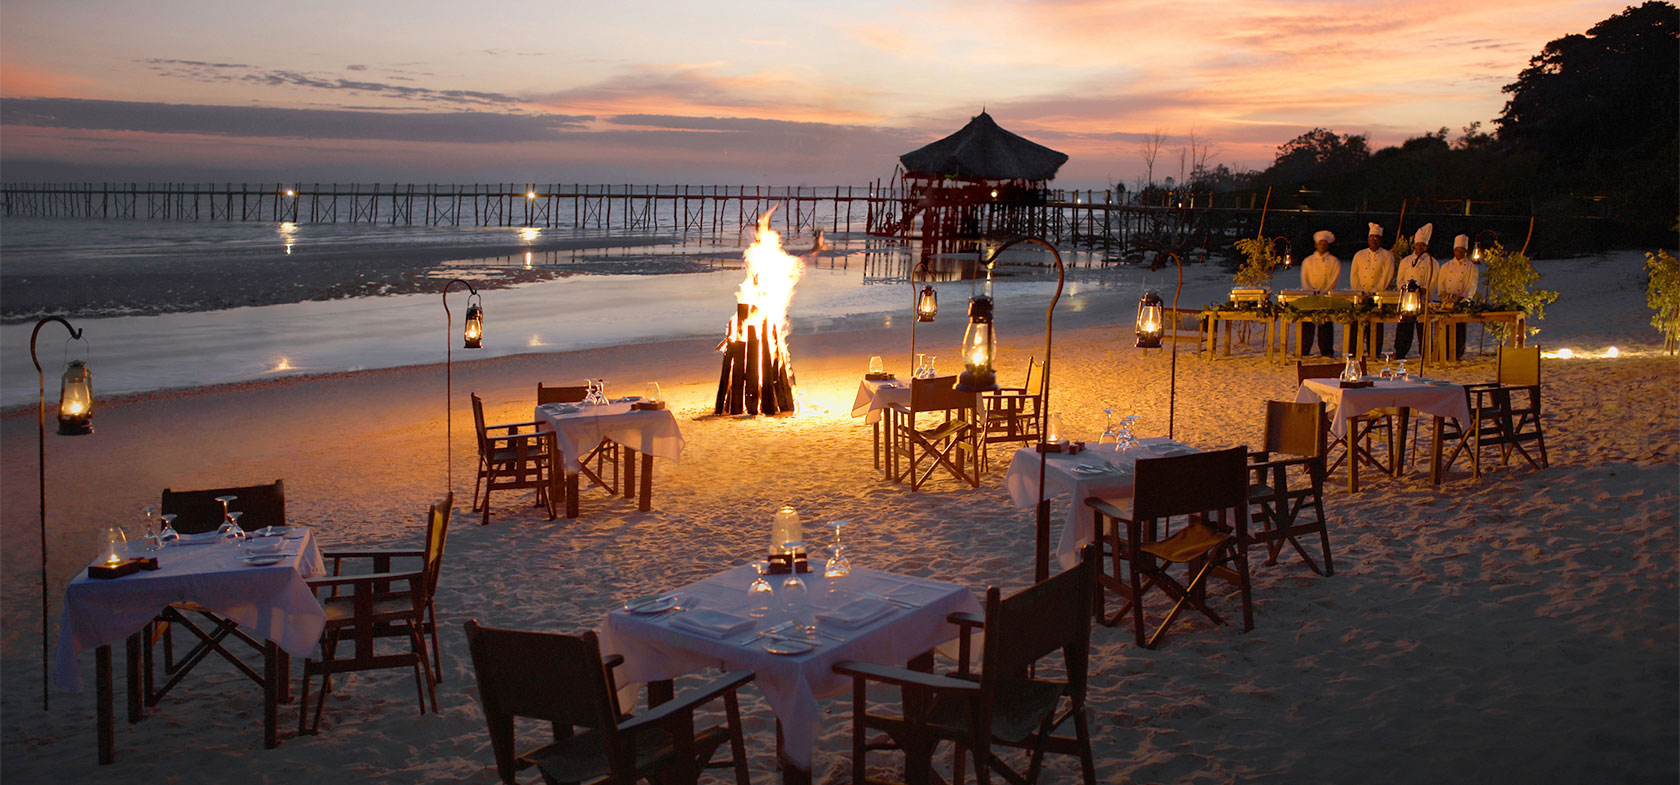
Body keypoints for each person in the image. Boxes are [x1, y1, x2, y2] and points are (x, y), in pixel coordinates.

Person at [1392, 223, 1438, 359]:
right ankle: (1400, 351)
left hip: (1422, 299)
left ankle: (1425, 353)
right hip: (1407, 299)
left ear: (1426, 247)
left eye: (1422, 246)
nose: (1420, 248)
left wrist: (1424, 291)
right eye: (1418, 245)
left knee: (1422, 326)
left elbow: (1433, 280)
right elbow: (1400, 279)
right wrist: (1405, 290)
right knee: (1404, 325)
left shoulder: (1432, 262)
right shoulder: (1406, 261)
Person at [1349, 222, 1395, 355]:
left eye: (1376, 239)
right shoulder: (1359, 255)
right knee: (1356, 322)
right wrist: (1358, 291)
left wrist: (1377, 290)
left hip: (1378, 295)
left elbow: (1387, 275)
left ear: (1380, 240)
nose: (1373, 241)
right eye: (1371, 238)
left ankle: (1374, 351)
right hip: (1360, 294)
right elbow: (1354, 274)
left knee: (1376, 323)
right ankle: (1353, 350)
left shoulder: (1387, 255)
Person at [1298, 230, 1341, 358]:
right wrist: (1311, 292)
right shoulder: (1308, 261)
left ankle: (1326, 350)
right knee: (1307, 323)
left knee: (1326, 323)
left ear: (1328, 245)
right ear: (1315, 245)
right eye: (1320, 243)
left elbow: (1334, 279)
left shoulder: (1334, 261)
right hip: (1310, 296)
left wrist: (1324, 292)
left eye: (1324, 243)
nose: (1322, 245)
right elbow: (1304, 279)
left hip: (1326, 297)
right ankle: (1304, 349)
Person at [1436, 234, 1480, 358]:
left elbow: (1471, 286)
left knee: (1460, 329)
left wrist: (1462, 299)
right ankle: (1443, 352)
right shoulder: (1446, 266)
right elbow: (1441, 284)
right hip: (1447, 302)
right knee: (1446, 328)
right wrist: (1445, 296)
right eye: (1457, 250)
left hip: (1461, 303)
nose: (1459, 253)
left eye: (1462, 250)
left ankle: (1457, 353)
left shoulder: (1471, 268)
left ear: (1466, 251)